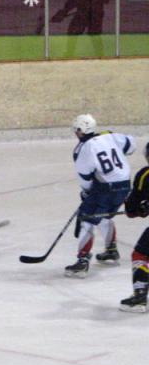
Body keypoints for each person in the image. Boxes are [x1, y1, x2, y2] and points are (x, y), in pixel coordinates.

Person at [65, 114, 136, 278]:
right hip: (125, 186)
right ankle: (111, 250)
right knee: (104, 216)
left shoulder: (82, 149)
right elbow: (131, 145)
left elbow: (85, 177)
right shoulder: (110, 136)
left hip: (105, 189)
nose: (76, 133)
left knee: (87, 218)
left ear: (81, 131)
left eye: (77, 130)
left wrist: (86, 194)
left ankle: (82, 261)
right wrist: (111, 139)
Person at [120, 141, 149, 313]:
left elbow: (131, 210)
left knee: (140, 254)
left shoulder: (145, 175)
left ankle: (139, 296)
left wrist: (140, 209)